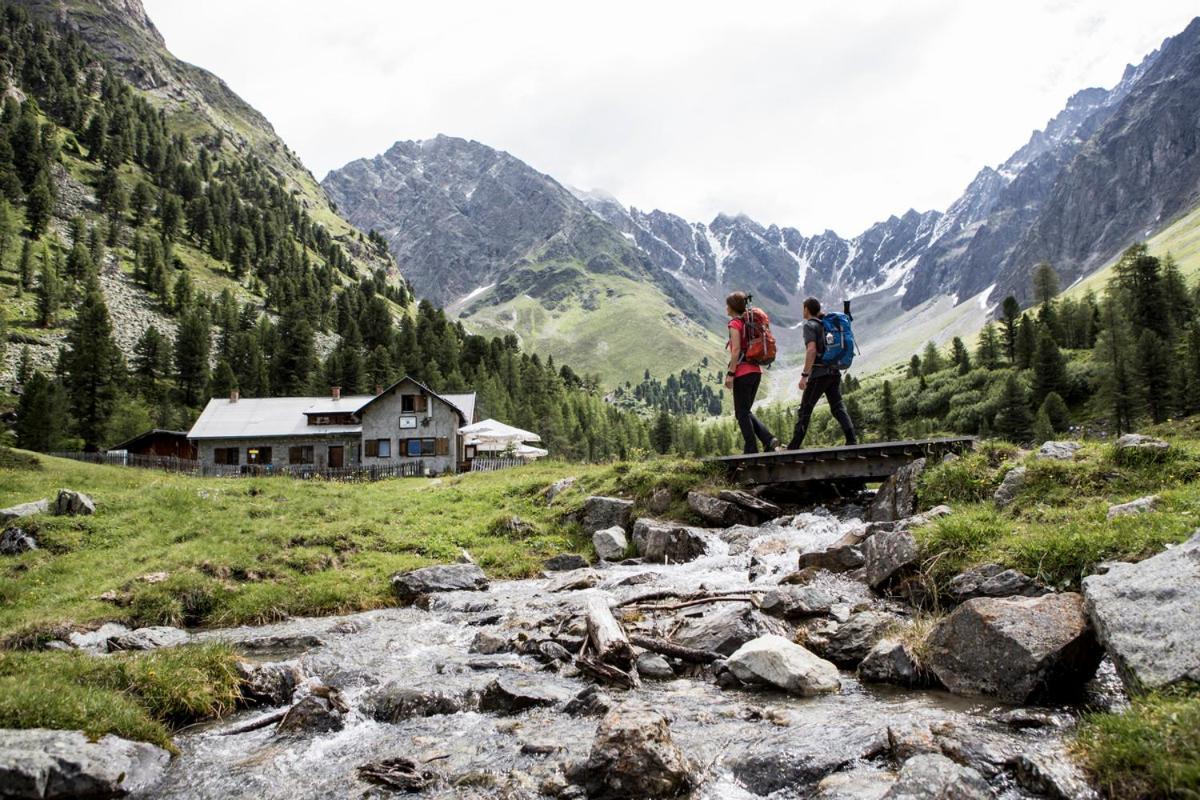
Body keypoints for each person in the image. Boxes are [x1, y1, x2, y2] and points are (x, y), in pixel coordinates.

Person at [788, 296, 857, 450]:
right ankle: (852, 439)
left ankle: (793, 446)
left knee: (805, 409)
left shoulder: (810, 326)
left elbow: (811, 350)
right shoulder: (826, 324)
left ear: (806, 309)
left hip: (819, 374)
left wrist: (804, 376)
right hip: (834, 372)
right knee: (837, 407)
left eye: (803, 308)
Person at [724, 292, 781, 454]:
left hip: (742, 373)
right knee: (745, 412)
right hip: (755, 371)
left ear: (733, 307)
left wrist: (730, 374)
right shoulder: (748, 323)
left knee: (741, 414)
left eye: (727, 304)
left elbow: (735, 351)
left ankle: (751, 448)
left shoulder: (735, 324)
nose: (726, 307)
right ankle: (769, 440)